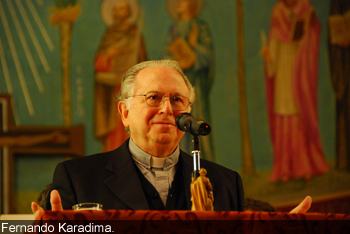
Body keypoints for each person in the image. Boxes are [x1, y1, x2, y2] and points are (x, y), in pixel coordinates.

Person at [31, 60, 312, 219]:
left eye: (177, 100)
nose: (167, 109)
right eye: (153, 97)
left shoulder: (226, 183)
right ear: (125, 112)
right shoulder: (77, 178)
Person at [261, 0, 329, 183]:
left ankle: (304, 166)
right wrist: (269, 58)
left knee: (299, 116)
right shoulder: (278, 11)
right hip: (283, 72)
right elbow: (273, 48)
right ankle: (285, 169)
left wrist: (307, 27)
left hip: (300, 70)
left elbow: (312, 35)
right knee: (284, 116)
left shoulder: (305, 7)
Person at [162, 0, 215, 162]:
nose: (178, 3)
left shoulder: (200, 27)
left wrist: (193, 47)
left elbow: (208, 56)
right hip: (177, 88)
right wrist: (179, 61)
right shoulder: (173, 29)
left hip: (196, 86)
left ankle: (205, 166)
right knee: (179, 127)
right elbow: (166, 56)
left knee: (197, 123)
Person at [94, 0, 147, 152]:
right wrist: (109, 54)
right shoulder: (109, 34)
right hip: (112, 91)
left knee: (131, 123)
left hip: (131, 90)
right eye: (116, 10)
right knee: (114, 126)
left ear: (129, 11)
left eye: (122, 9)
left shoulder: (135, 33)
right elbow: (99, 63)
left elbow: (143, 63)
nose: (118, 13)